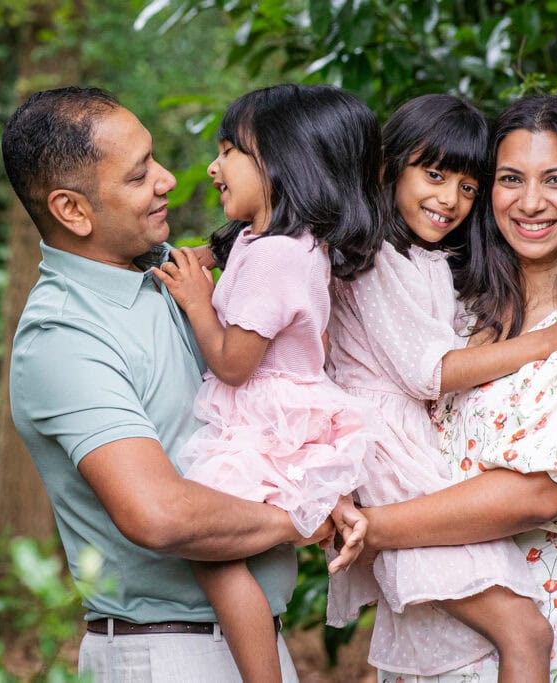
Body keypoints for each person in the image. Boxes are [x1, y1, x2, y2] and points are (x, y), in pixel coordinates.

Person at [3, 86, 345, 682]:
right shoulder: (65, 335)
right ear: (72, 210)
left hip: (250, 643)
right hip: (166, 654)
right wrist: (302, 516)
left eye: (153, 160)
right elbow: (159, 514)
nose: (166, 180)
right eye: (138, 176)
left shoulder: (172, 274)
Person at [323, 94, 557, 681]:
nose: (531, 201)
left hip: (548, 608)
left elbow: (540, 496)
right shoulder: (453, 302)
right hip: (430, 614)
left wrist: (374, 527)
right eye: (511, 178)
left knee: (526, 636)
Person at [151, 84, 383, 683]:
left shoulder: (282, 254)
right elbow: (222, 259)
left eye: (230, 151)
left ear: (285, 162)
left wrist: (198, 304)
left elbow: (233, 363)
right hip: (269, 419)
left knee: (212, 551)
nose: (213, 166)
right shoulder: (262, 241)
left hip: (264, 424)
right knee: (227, 556)